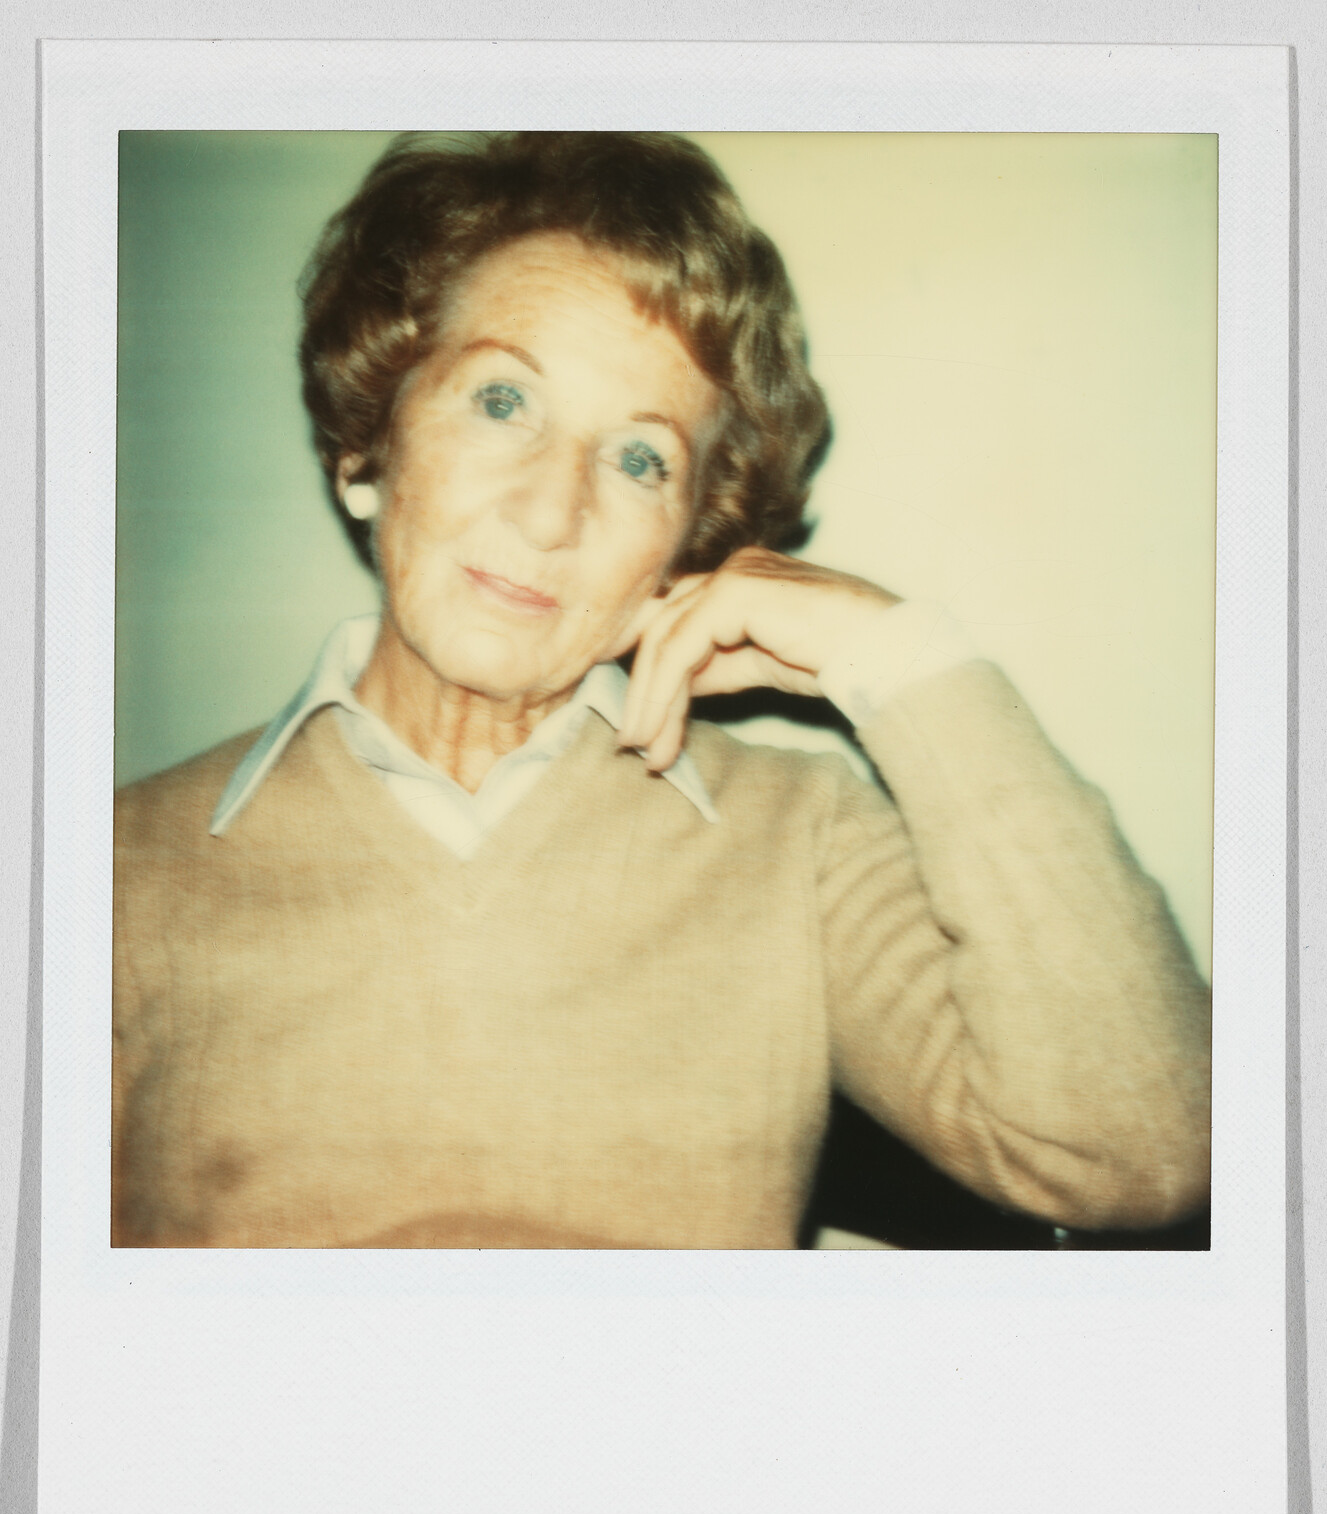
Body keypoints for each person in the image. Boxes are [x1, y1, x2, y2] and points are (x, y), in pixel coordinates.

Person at [112, 131, 1211, 1249]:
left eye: (640, 459)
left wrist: (894, 655)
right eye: (502, 400)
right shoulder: (116, 869)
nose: (552, 511)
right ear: (366, 450)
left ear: (684, 545)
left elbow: (1141, 1151)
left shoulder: (800, 839)